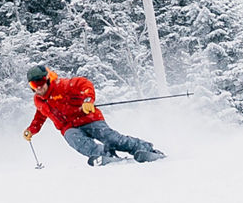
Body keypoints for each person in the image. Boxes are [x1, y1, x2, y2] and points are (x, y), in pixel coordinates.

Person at [22, 65, 165, 166]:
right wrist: (31, 130)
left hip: (88, 118)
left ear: (47, 79)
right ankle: (105, 155)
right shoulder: (38, 100)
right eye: (35, 85)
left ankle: (146, 149)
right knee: (74, 140)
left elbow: (84, 83)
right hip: (69, 127)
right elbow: (40, 116)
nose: (39, 87)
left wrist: (88, 100)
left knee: (111, 138)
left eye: (40, 82)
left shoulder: (63, 85)